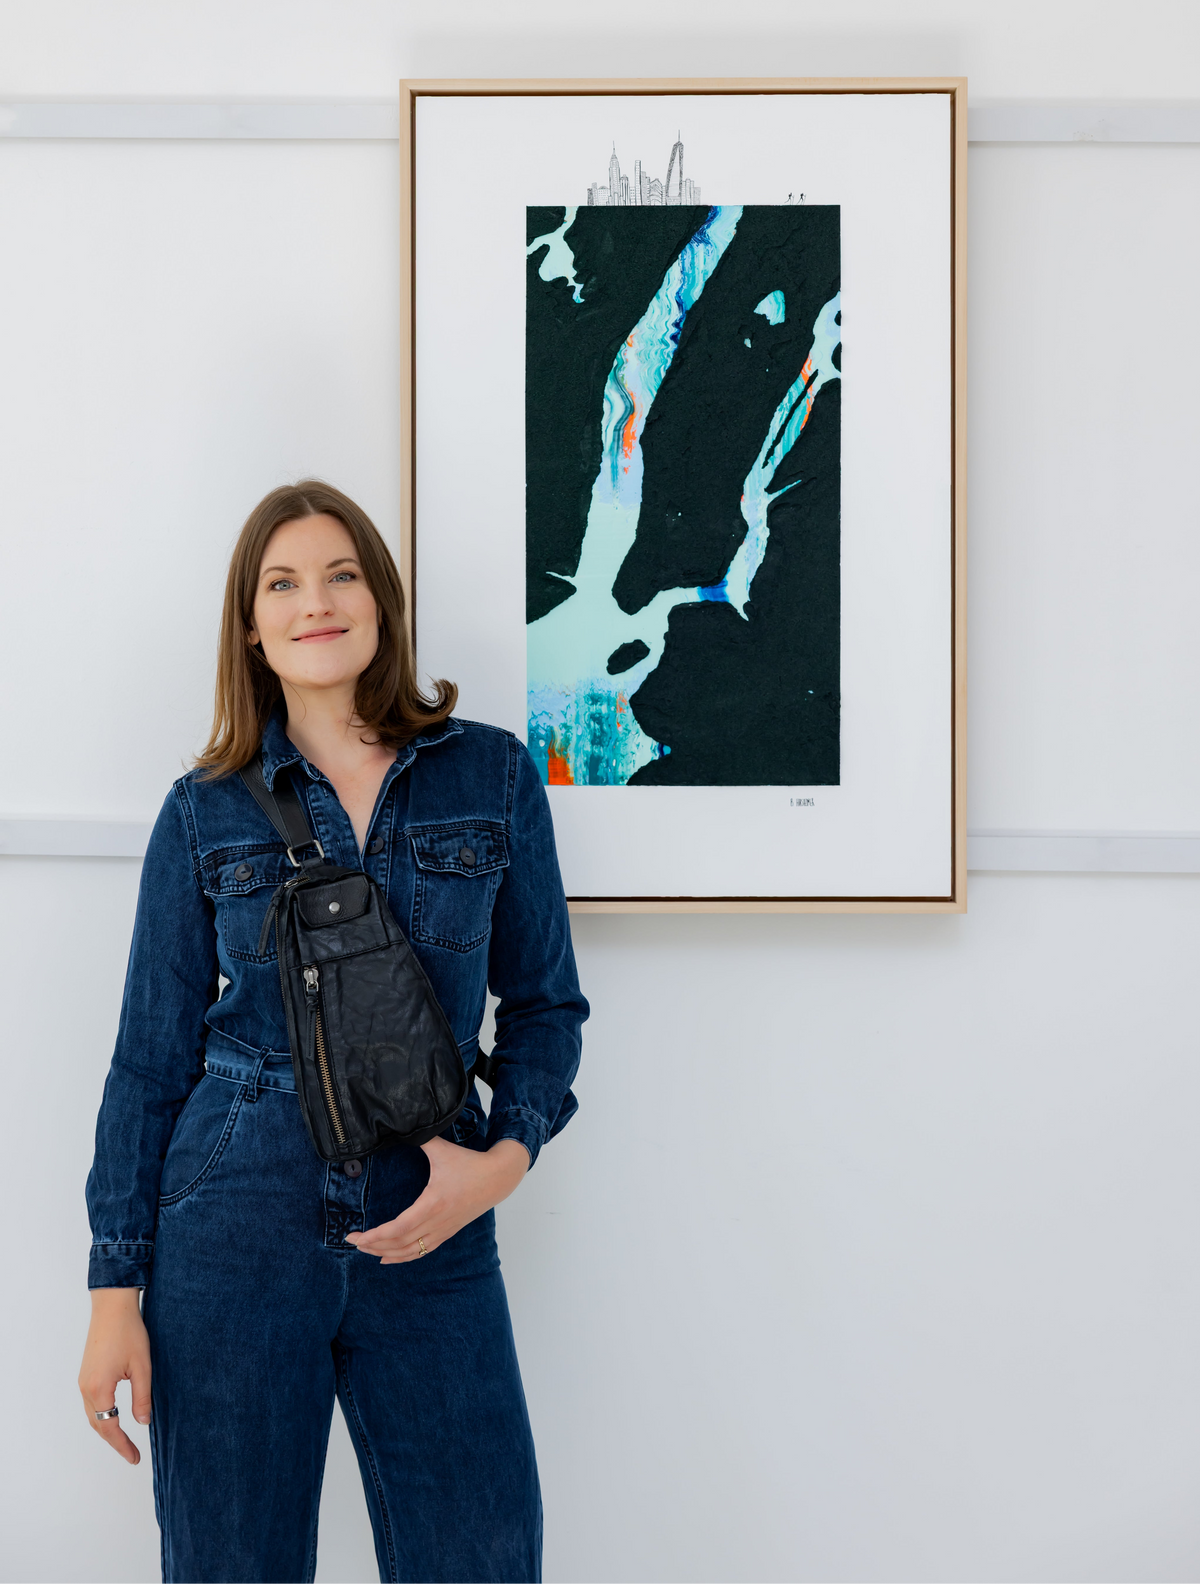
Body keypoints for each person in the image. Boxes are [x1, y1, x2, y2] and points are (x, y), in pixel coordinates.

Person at [78, 480, 587, 1583]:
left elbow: (546, 1006)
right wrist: (113, 1295)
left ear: (380, 601)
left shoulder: (492, 774)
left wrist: (503, 1161)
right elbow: (148, 1060)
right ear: (252, 629)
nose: (317, 602)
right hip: (233, 1220)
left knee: (483, 1554)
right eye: (284, 584)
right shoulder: (202, 808)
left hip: (434, 1216)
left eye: (341, 575)